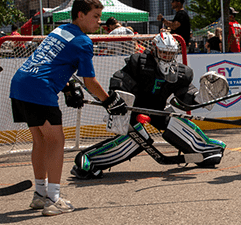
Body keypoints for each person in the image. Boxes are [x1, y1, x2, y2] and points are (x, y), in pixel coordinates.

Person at [9, 0, 127, 216]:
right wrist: (109, 101)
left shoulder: (59, 30)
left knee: (40, 141)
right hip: (39, 89)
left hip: (20, 83)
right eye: (95, 16)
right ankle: (53, 199)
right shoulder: (83, 41)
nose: (99, 22)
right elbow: (89, 81)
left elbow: (51, 60)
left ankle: (40, 194)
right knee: (56, 142)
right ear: (80, 15)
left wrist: (66, 85)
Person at [71, 32, 227, 180]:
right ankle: (88, 160)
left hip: (158, 108)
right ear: (155, 50)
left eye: (171, 53)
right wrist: (117, 100)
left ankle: (204, 149)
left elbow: (184, 97)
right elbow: (119, 81)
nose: (167, 57)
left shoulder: (180, 72)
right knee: (139, 138)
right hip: (133, 110)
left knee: (174, 121)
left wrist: (199, 98)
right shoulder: (138, 63)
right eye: (164, 52)